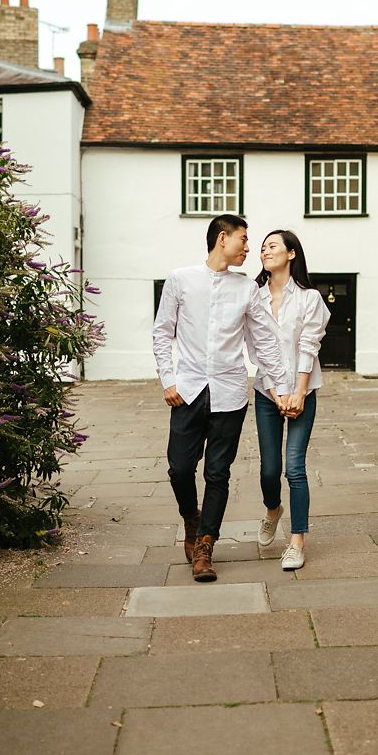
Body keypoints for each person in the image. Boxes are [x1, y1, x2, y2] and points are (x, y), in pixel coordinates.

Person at [152, 214, 290, 582]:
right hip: (188, 390)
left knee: (218, 473)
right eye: (244, 239)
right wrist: (168, 379)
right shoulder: (181, 279)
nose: (249, 247)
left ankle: (204, 547)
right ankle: (190, 518)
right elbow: (162, 332)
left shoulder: (247, 289)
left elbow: (264, 342)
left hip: (230, 393)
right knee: (179, 469)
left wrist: (279, 386)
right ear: (222, 238)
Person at [249, 230, 330, 570]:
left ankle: (297, 541)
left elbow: (309, 346)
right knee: (270, 471)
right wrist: (276, 393)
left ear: (291, 253)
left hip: (303, 391)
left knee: (294, 467)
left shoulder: (310, 298)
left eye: (273, 246)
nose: (265, 251)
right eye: (262, 247)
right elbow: (256, 350)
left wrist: (297, 392)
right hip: (268, 393)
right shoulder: (253, 296)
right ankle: (272, 509)